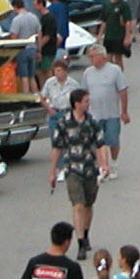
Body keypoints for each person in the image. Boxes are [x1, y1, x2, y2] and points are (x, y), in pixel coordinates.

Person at [48, 91, 104, 240]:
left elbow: (100, 145)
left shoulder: (92, 122)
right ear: (77, 103)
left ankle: (85, 234)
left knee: (88, 205)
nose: (88, 104)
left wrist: (103, 165)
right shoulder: (63, 123)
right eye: (86, 101)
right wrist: (52, 171)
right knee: (77, 205)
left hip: (89, 168)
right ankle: (80, 241)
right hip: (72, 168)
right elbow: (56, 148)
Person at [81, 45, 129, 177]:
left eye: (93, 56)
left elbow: (123, 91)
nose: (91, 59)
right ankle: (103, 166)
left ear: (102, 56)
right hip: (94, 114)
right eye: (89, 57)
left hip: (111, 113)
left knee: (112, 140)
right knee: (98, 142)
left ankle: (114, 163)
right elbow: (84, 93)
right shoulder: (88, 73)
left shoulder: (115, 70)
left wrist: (124, 111)